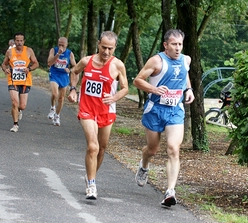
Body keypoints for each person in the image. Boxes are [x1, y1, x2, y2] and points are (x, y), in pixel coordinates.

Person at [133, 29, 195, 207]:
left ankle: (170, 191)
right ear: (165, 45)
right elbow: (137, 80)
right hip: (155, 109)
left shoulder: (186, 59)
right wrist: (154, 89)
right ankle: (144, 165)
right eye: (174, 44)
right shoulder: (156, 61)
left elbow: (185, 75)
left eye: (180, 44)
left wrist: (188, 89)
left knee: (173, 148)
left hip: (175, 109)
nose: (178, 48)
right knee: (152, 150)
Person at [67, 31, 128, 199]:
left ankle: (90, 176)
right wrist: (73, 90)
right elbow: (74, 72)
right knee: (92, 146)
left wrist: (114, 97)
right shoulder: (87, 61)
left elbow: (125, 87)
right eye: (103, 47)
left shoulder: (118, 65)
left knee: (102, 149)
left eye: (110, 48)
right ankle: (92, 185)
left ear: (115, 48)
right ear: (98, 45)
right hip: (87, 109)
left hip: (106, 110)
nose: (106, 52)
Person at [1, 32, 39, 132]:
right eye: (17, 41)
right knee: (14, 102)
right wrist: (5, 70)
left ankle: (19, 110)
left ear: (24, 41)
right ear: (14, 41)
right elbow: (4, 64)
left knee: (22, 106)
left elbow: (36, 63)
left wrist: (29, 69)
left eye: (21, 41)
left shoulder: (29, 51)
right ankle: (15, 124)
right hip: (12, 80)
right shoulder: (10, 52)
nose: (19, 43)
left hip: (25, 81)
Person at [47, 37, 77, 126]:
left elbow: (76, 67)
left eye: (63, 45)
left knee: (61, 98)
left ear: (66, 45)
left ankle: (57, 116)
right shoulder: (53, 50)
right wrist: (58, 54)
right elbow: (49, 63)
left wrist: (70, 70)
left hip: (64, 76)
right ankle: (52, 108)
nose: (61, 46)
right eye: (59, 44)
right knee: (55, 94)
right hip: (54, 74)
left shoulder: (69, 53)